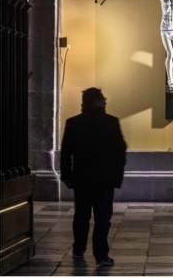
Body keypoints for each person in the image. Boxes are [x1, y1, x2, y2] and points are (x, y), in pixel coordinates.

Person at [60, 88, 127, 267]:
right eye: (103, 100)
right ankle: (101, 255)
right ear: (98, 102)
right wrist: (117, 176)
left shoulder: (73, 123)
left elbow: (66, 153)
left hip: (82, 180)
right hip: (105, 181)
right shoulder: (111, 122)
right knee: (103, 219)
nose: (105, 102)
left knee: (81, 217)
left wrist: (67, 176)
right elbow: (120, 151)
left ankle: (78, 249)